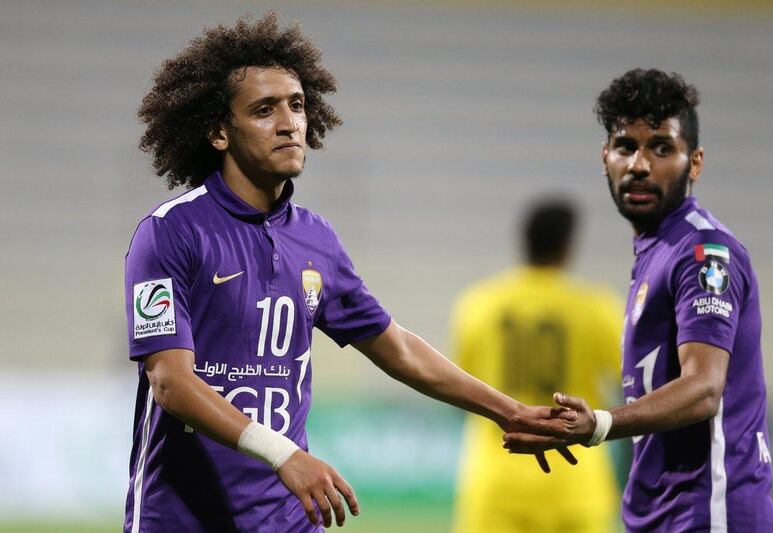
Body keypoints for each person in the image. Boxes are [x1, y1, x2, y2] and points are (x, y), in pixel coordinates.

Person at [123, 13, 573, 533]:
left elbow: (397, 349)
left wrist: (507, 410)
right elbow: (171, 383)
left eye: (296, 105)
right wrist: (284, 455)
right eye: (264, 110)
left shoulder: (317, 241)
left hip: (287, 518)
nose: (290, 123)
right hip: (182, 518)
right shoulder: (168, 233)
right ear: (219, 132)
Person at [503, 69, 773, 532]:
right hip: (659, 512)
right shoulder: (657, 252)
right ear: (605, 156)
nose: (640, 164)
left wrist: (601, 425)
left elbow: (705, 388)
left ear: (695, 163)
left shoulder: (703, 252)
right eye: (626, 146)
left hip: (709, 512)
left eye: (662, 147)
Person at [451, 199, 623, 533]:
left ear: (522, 239)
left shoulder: (478, 306)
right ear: (568, 246)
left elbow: (462, 387)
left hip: (497, 482)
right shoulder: (597, 309)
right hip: (577, 484)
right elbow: (627, 383)